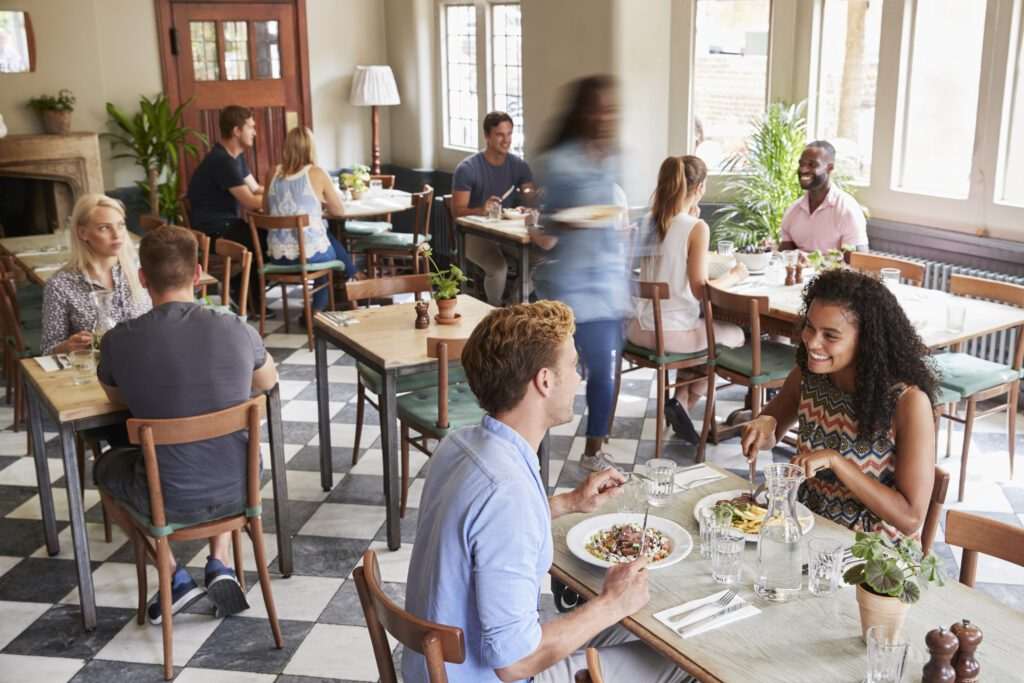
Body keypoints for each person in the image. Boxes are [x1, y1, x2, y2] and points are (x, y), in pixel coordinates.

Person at [403, 301, 688, 683]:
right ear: (544, 381)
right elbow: (514, 661)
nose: (579, 377)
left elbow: (483, 529)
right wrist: (609, 602)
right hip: (486, 675)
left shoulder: (461, 444)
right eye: (571, 365)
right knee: (677, 659)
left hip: (436, 667)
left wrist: (570, 502)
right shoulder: (508, 492)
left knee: (655, 629)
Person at [95, 225, 279, 623]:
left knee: (105, 469)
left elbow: (116, 399)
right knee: (221, 445)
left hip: (169, 495)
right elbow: (268, 382)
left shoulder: (118, 340)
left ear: (143, 279)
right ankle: (219, 562)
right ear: (198, 274)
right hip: (241, 484)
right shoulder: (235, 327)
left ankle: (174, 577)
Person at [740, 269, 937, 539]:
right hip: (806, 527)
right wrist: (764, 424)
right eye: (810, 327)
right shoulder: (808, 376)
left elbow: (910, 519)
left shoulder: (908, 403)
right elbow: (772, 428)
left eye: (830, 336)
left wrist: (836, 462)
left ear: (866, 341)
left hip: (871, 554)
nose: (812, 342)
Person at [531, 75, 630, 472]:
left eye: (611, 109)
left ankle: (593, 450)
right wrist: (565, 222)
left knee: (606, 371)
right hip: (570, 287)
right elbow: (549, 223)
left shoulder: (616, 158)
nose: (605, 116)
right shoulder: (559, 162)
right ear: (583, 112)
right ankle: (531, 444)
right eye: (598, 108)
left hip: (608, 285)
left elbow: (617, 223)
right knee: (552, 374)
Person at [629, 155, 748, 443]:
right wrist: (736, 274)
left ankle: (680, 400)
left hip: (636, 329)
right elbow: (700, 289)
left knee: (703, 331)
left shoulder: (648, 220)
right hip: (668, 335)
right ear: (701, 187)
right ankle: (685, 401)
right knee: (735, 335)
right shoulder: (696, 228)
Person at [41, 193, 151, 354]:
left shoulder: (141, 269)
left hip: (146, 362)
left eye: (120, 225)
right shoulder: (60, 284)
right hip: (96, 372)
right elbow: (48, 349)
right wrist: (67, 347)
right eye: (104, 228)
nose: (117, 235)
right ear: (82, 233)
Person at [263, 126, 354, 315]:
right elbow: (339, 210)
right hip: (308, 257)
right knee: (327, 250)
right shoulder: (317, 173)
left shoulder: (272, 173)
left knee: (325, 238)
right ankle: (315, 312)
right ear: (311, 148)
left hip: (277, 257)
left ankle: (353, 275)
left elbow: (266, 210)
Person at [451, 111, 536, 305]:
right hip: (473, 236)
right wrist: (481, 209)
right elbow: (457, 212)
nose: (506, 140)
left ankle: (513, 306)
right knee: (498, 269)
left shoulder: (519, 166)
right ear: (487, 136)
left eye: (509, 134)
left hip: (507, 234)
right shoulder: (467, 169)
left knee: (539, 261)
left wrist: (530, 198)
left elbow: (529, 192)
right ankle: (493, 312)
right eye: (500, 135)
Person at [187, 105, 264, 249]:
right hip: (214, 231)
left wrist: (282, 191)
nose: (255, 132)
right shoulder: (223, 161)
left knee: (268, 238)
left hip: (225, 225)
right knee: (268, 242)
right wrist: (282, 199)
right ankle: (247, 272)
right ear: (236, 131)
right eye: (251, 127)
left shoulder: (236, 157)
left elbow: (255, 189)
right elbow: (251, 201)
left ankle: (248, 272)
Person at [778, 141, 868, 254]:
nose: (803, 169)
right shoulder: (793, 211)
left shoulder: (847, 210)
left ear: (829, 168)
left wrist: (812, 262)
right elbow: (785, 259)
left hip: (834, 272)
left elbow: (858, 263)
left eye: (812, 165)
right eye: (801, 164)